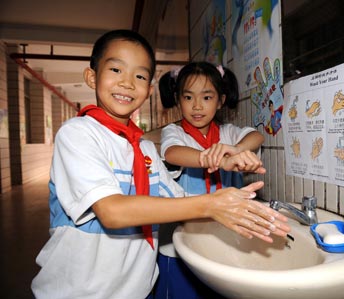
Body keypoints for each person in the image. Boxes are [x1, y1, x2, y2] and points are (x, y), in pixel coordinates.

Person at [30, 30, 290, 299]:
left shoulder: (142, 147)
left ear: (149, 89)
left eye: (140, 76)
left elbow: (177, 200)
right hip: (79, 292)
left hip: (136, 290)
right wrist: (212, 204)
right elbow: (111, 211)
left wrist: (235, 205)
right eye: (116, 69)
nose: (128, 83)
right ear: (92, 77)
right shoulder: (79, 134)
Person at [155, 61, 267, 299]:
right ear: (178, 100)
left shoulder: (228, 132)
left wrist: (235, 150)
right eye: (188, 97)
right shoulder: (174, 133)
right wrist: (218, 160)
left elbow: (257, 136)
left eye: (206, 97)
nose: (197, 106)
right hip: (178, 244)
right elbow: (172, 152)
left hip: (225, 239)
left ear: (221, 100)